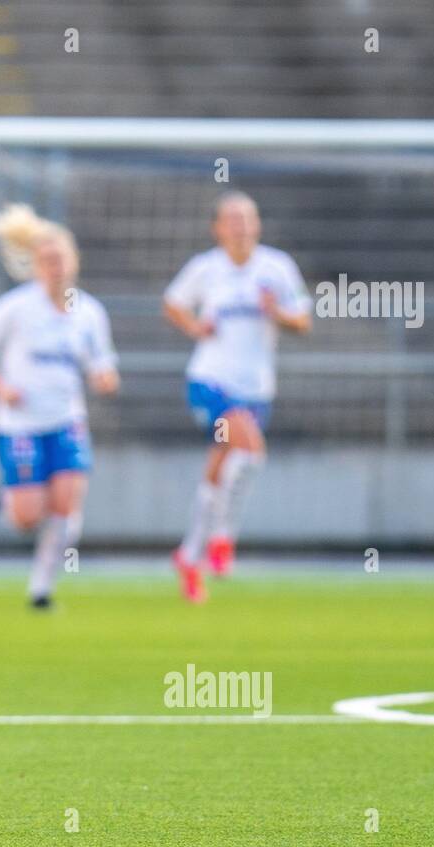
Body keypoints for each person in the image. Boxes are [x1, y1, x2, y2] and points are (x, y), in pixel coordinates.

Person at [0, 204, 118, 609]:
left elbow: (102, 364)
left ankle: (41, 588)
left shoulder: (90, 313)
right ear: (35, 266)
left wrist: (105, 378)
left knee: (67, 507)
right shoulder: (17, 307)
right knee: (28, 517)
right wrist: (1, 387)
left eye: (60, 259)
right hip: (20, 425)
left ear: (74, 262)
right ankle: (8, 497)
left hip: (67, 421)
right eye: (46, 261)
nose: (55, 267)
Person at [163, 191, 311, 603]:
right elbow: (172, 304)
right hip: (210, 380)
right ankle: (222, 539)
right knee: (249, 449)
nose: (241, 226)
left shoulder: (277, 267)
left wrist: (277, 313)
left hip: (256, 388)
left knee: (228, 461)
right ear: (217, 228)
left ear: (258, 224)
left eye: (247, 218)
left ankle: (189, 555)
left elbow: (302, 320)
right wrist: (195, 328)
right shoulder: (204, 269)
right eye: (232, 219)